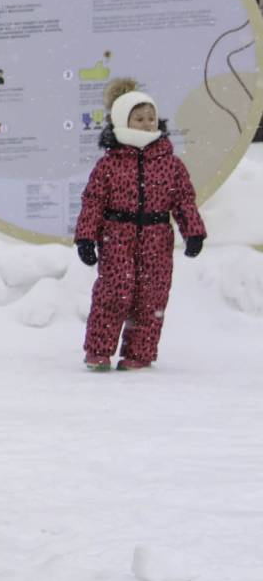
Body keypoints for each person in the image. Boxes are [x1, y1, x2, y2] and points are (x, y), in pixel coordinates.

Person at [75, 80, 207, 371]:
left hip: (157, 237)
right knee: (114, 292)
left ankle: (139, 353)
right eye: (139, 118)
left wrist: (193, 231)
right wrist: (86, 237)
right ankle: (98, 351)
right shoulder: (109, 165)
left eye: (150, 118)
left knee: (152, 296)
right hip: (117, 236)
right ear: (123, 121)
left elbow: (184, 199)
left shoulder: (170, 164)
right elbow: (93, 202)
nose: (146, 124)